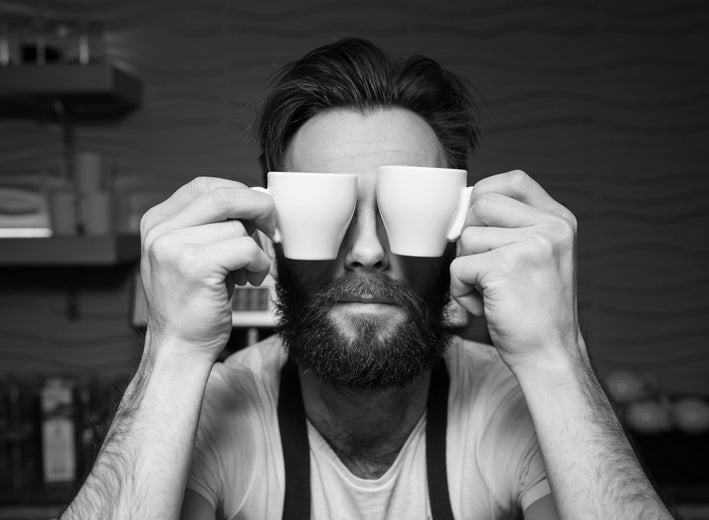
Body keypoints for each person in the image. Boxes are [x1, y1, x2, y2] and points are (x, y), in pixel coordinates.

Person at [61, 38, 674, 520]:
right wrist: (171, 350)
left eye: (408, 211)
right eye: (324, 212)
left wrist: (555, 355)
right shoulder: (216, 408)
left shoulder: (515, 403)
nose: (367, 252)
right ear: (272, 227)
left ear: (457, 227)